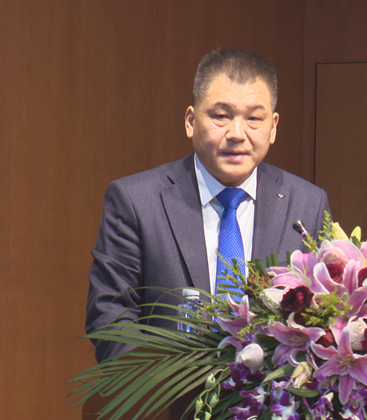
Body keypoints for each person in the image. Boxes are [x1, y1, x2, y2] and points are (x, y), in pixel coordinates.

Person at [85, 48, 331, 363]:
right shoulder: (136, 201)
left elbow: (323, 316)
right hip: (170, 390)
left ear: (273, 127)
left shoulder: (307, 203)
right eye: (221, 116)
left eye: (254, 119)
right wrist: (172, 383)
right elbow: (110, 317)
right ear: (191, 121)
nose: (237, 134)